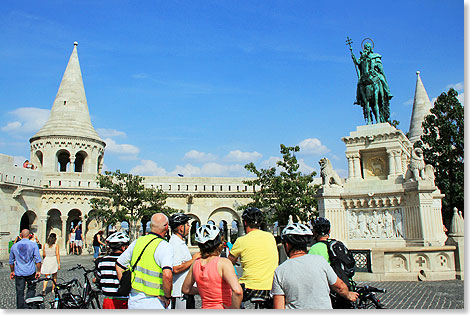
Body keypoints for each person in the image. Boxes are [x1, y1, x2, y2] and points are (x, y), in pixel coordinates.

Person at [272, 223, 359, 309]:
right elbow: (340, 287)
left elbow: (279, 308)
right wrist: (349, 295)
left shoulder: (280, 271)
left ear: (287, 245)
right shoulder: (320, 261)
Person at [116, 213, 174, 309]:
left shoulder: (137, 242)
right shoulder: (164, 246)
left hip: (134, 300)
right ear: (166, 226)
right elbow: (167, 275)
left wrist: (126, 286)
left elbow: (119, 265)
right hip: (155, 301)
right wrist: (167, 297)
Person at [182, 224, 243, 309]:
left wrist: (203, 290)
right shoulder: (223, 263)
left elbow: (185, 289)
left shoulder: (196, 263)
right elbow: (238, 291)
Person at [228, 207, 278, 306]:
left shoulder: (241, 241)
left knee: (228, 294)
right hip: (271, 288)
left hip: (249, 288)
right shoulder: (270, 237)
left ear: (245, 223)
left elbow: (228, 264)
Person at [168, 213, 200, 309]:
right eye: (187, 224)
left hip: (184, 293)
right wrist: (193, 259)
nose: (189, 226)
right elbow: (176, 268)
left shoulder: (180, 242)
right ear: (181, 228)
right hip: (180, 294)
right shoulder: (175, 244)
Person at [95, 232, 130, 309]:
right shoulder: (127, 262)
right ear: (123, 247)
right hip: (124, 300)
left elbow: (99, 280)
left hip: (108, 300)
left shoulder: (102, 261)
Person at [9, 229, 42, 309]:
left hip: (19, 272)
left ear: (21, 235)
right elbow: (38, 260)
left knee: (19, 292)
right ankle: (29, 306)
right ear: (29, 235)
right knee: (31, 289)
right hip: (30, 271)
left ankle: (20, 308)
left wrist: (12, 271)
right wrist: (38, 271)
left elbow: (11, 261)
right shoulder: (33, 245)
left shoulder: (14, 246)